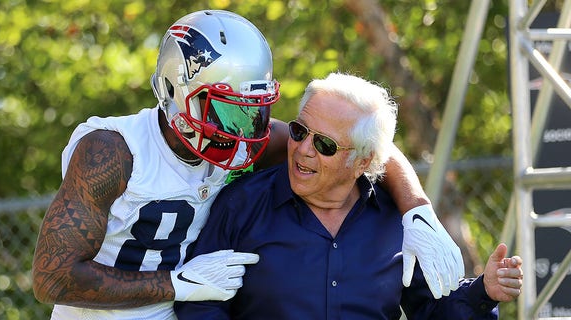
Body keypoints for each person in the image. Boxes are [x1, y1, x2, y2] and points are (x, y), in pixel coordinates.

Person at [31, 10, 464, 319]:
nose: (241, 130)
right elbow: (51, 279)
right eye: (224, 110)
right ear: (176, 89)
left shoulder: (252, 140)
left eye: (251, 110)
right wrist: (177, 283)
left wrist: (417, 210)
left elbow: (370, 148)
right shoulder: (112, 151)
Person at [174, 72, 523, 319]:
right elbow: (199, 304)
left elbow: (432, 312)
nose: (303, 150)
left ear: (362, 161)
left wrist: (483, 292)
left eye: (324, 144)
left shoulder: (395, 223)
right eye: (299, 131)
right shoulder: (242, 204)